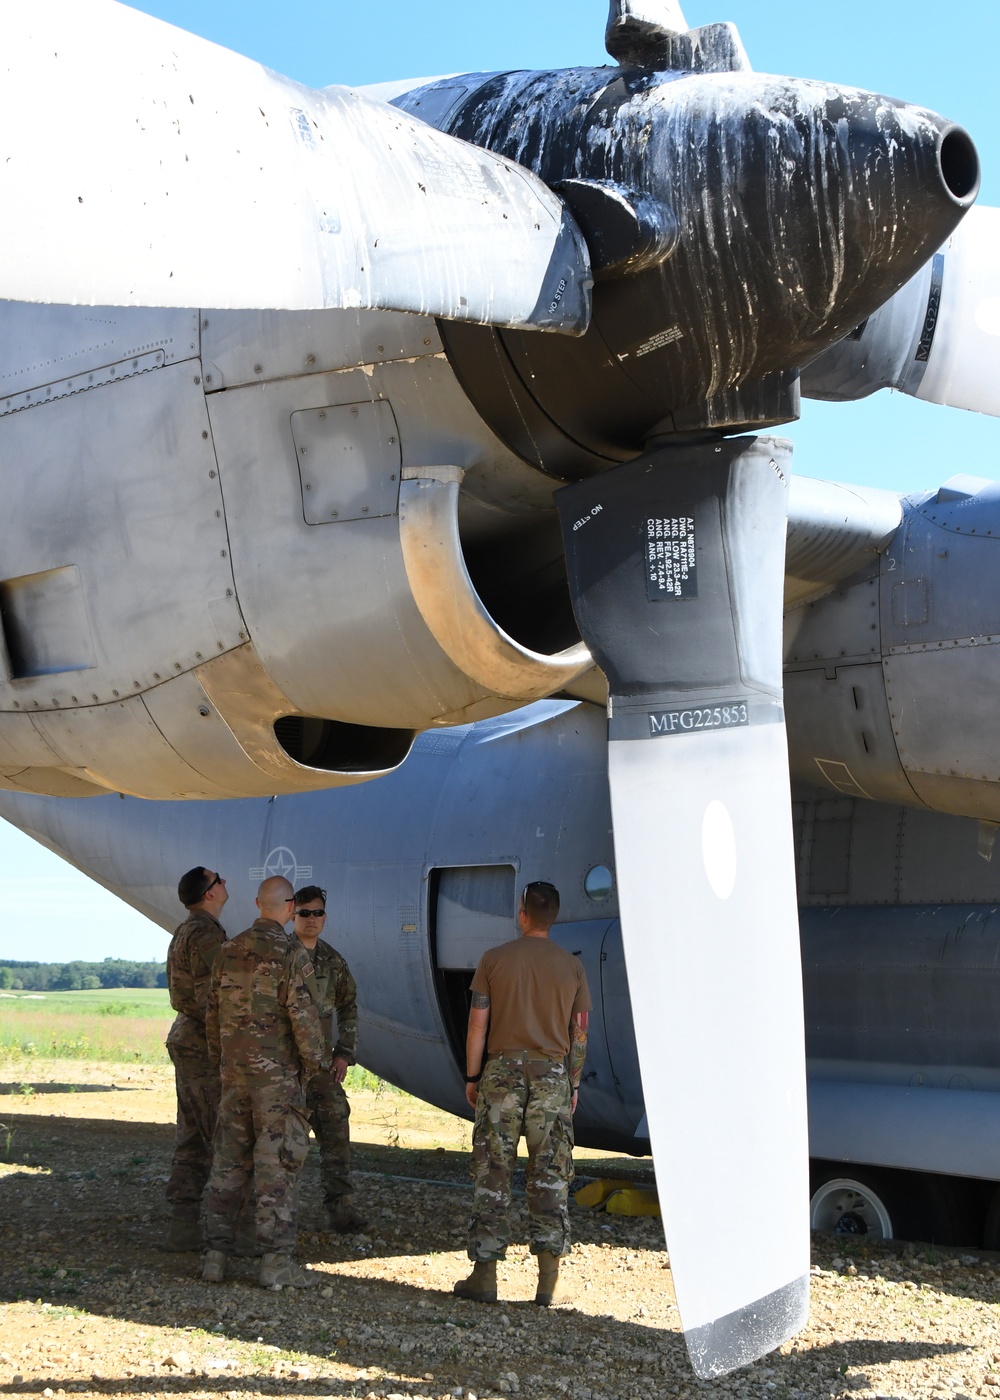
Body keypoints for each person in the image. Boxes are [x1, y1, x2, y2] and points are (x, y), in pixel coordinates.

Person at [454, 880, 591, 1307]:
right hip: (552, 1076)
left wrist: (473, 1076)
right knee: (550, 1174)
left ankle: (486, 1276)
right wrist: (573, 1081)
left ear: (523, 913)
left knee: (493, 1171)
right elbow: (580, 1031)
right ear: (555, 915)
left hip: (501, 1074)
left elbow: (478, 1024)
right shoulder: (572, 967)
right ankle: (548, 1282)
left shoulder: (494, 960)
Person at [202, 875, 327, 1288]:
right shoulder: (291, 954)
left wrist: (222, 1062)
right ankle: (275, 1263)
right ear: (291, 908)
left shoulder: (228, 950)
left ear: (258, 903)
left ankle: (216, 1257)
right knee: (277, 1168)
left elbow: (212, 1014)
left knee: (228, 1162)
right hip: (276, 1082)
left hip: (234, 1076)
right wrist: (312, 1071)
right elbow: (305, 1022)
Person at [292, 885, 368, 1233]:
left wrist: (344, 1053)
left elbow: (348, 1005)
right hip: (285, 1062)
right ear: (293, 913)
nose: (312, 919)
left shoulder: (332, 960)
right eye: (305, 912)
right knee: (279, 1139)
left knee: (336, 1126)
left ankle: (341, 1208)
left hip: (322, 1064)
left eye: (317, 913)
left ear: (325, 917)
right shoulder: (281, 955)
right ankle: (268, 1213)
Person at [163, 866, 229, 1251]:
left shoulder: (189, 928)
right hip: (204, 1043)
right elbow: (213, 996)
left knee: (192, 1130)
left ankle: (183, 1222)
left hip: (190, 1038)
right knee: (216, 1134)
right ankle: (218, 1228)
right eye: (219, 879)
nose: (225, 884)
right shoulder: (205, 933)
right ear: (209, 893)